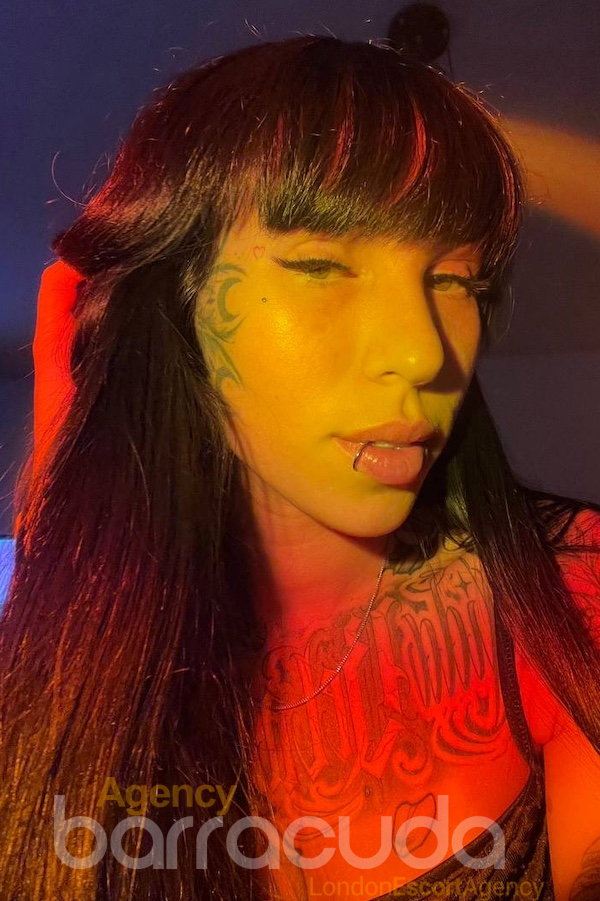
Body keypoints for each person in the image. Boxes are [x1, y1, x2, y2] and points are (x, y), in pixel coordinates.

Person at [0, 35, 599, 901]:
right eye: (322, 266)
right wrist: (76, 497)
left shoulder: (566, 593)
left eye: (457, 282)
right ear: (172, 307)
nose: (424, 353)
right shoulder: (77, 666)